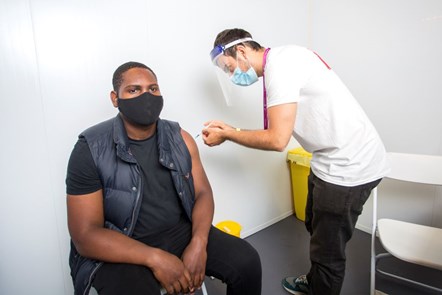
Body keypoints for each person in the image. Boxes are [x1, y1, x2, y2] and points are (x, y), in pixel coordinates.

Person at [203, 28, 390, 295]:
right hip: (328, 159)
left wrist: (228, 135)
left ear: (241, 51)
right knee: (313, 220)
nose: (231, 75)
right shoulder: (282, 59)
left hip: (349, 166)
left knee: (328, 252)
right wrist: (232, 130)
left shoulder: (281, 67)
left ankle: (321, 286)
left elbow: (278, 139)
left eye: (228, 67)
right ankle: (314, 282)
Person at [66, 61, 262, 295]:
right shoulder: (90, 148)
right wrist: (155, 258)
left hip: (179, 232)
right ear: (115, 98)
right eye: (134, 90)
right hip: (123, 242)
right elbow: (85, 235)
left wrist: (199, 243)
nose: (146, 96)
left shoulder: (180, 137)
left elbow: (202, 193)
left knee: (247, 262)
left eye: (153, 89)